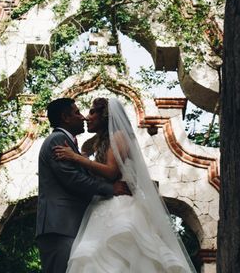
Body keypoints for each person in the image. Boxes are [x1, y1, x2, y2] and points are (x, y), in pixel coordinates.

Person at [53, 97, 197, 272]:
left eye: (91, 112)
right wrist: (81, 156)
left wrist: (76, 158)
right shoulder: (98, 143)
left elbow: (111, 171)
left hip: (121, 205)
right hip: (104, 205)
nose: (86, 117)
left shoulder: (119, 136)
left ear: (104, 116)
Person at [36, 97, 130, 273]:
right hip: (60, 226)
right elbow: (73, 179)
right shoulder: (57, 141)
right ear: (66, 117)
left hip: (69, 225)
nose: (84, 117)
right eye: (77, 113)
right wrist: (111, 189)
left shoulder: (70, 144)